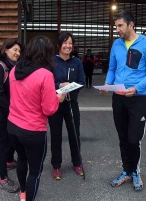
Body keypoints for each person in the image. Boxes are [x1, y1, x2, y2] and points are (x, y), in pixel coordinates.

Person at [99, 11, 146, 191]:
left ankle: (136, 172)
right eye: (116, 26)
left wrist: (137, 88)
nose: (117, 30)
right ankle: (127, 171)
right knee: (123, 137)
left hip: (138, 98)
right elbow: (112, 68)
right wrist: (108, 83)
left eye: (120, 26)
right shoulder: (116, 44)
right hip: (119, 97)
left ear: (131, 25)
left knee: (134, 138)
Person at [7, 36, 66, 201]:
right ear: (46, 54)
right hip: (33, 130)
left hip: (13, 125)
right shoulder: (45, 75)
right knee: (34, 171)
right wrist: (58, 98)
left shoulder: (14, 69)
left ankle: (23, 193)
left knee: (21, 159)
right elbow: (49, 109)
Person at [0, 38, 23, 193]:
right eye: (14, 49)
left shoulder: (12, 67)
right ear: (5, 50)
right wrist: (13, 109)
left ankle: (9, 161)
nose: (17, 53)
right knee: (4, 143)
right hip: (0, 113)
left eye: (19, 51)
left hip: (10, 112)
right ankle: (3, 178)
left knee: (11, 140)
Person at [48, 32, 85, 180]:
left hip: (72, 103)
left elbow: (82, 81)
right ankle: (56, 165)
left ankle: (77, 162)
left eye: (70, 43)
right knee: (56, 135)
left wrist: (70, 88)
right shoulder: (51, 62)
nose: (68, 46)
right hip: (55, 104)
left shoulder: (77, 62)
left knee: (74, 134)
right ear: (58, 45)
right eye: (65, 43)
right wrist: (59, 85)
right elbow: (47, 82)